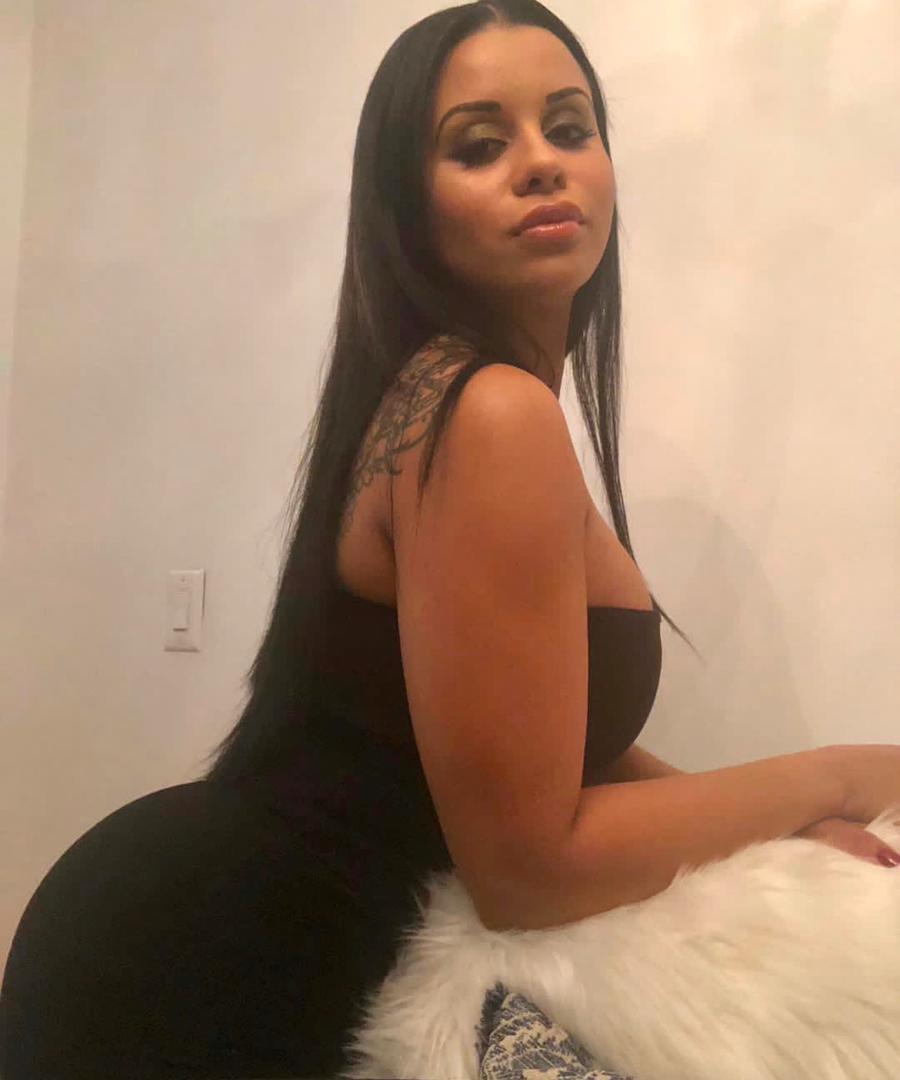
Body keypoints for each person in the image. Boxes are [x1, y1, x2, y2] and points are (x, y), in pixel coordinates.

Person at [2, 1, 899, 1077]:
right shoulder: (489, 415)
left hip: (224, 925)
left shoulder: (454, 399)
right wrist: (839, 776)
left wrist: (776, 822)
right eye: (479, 145)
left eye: (569, 127)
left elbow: (561, 749)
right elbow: (528, 868)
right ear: (408, 207)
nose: (542, 163)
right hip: (217, 968)